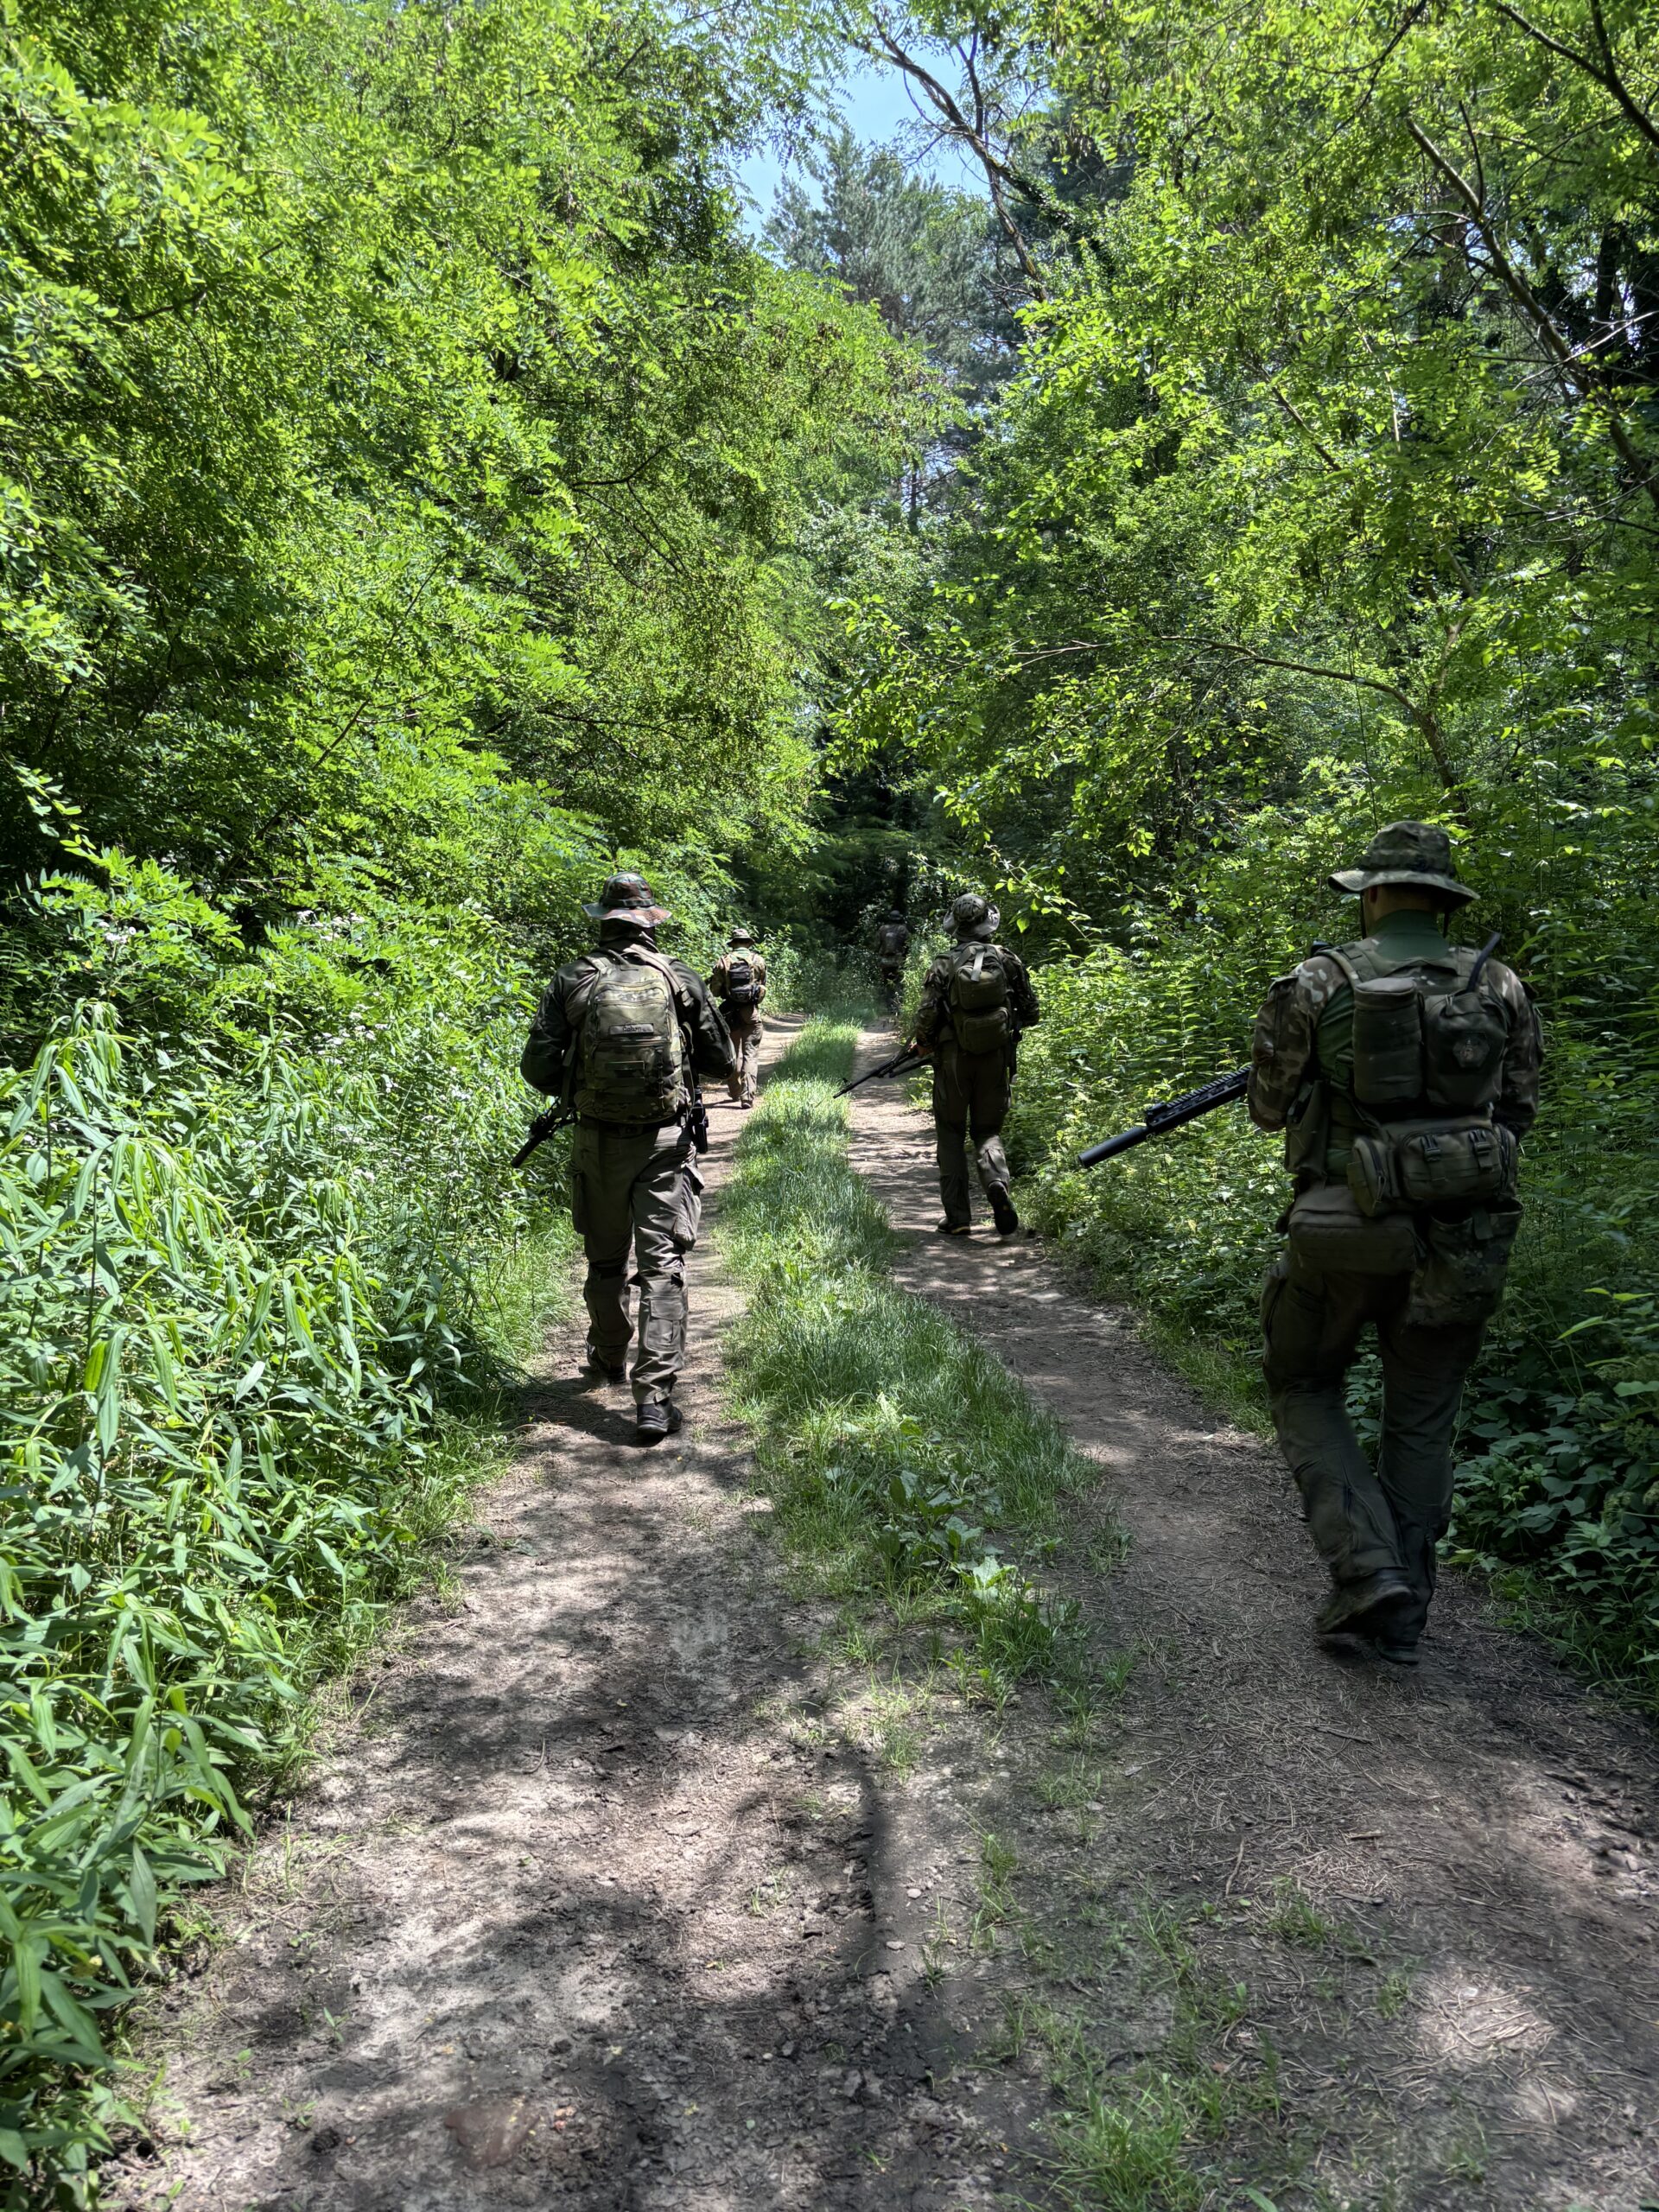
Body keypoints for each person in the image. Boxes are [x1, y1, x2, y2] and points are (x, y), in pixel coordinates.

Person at [1248, 822, 1542, 1665]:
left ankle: (1367, 1567)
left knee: (1304, 1381)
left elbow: (1268, 1107)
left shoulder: (1319, 980)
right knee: (1421, 1418)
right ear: (1444, 903)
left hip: (1343, 1234)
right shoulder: (1499, 985)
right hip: (1462, 1242)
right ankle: (1405, 1612)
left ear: (1371, 895)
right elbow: (1518, 1110)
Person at [522, 872, 735, 1444]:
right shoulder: (678, 977)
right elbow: (722, 1059)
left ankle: (609, 1356)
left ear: (604, 921)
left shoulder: (573, 978)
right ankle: (655, 1398)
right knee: (662, 1268)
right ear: (649, 922)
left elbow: (537, 1068)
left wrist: (581, 1080)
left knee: (605, 1261)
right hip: (664, 1143)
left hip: (597, 1141)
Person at [912, 893, 1040, 1238]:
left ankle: (958, 1218)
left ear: (955, 926)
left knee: (951, 1132)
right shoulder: (1007, 959)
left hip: (953, 1061)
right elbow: (1031, 1012)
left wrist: (923, 1043)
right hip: (996, 1059)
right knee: (987, 1131)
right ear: (988, 924)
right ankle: (996, 1182)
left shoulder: (943, 963)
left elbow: (926, 1015)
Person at [708, 926, 767, 1109]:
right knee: (750, 1054)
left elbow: (714, 991)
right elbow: (762, 987)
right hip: (751, 1013)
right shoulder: (758, 960)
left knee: (732, 1054)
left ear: (733, 943)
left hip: (729, 1014)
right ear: (748, 943)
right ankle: (747, 1096)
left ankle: (735, 1091)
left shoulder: (723, 961)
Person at [874, 910, 910, 1007]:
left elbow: (876, 945)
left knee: (886, 983)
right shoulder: (903, 929)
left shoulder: (882, 929)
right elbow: (909, 944)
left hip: (884, 961)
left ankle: (888, 1005)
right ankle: (897, 1005)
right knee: (899, 983)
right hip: (898, 960)